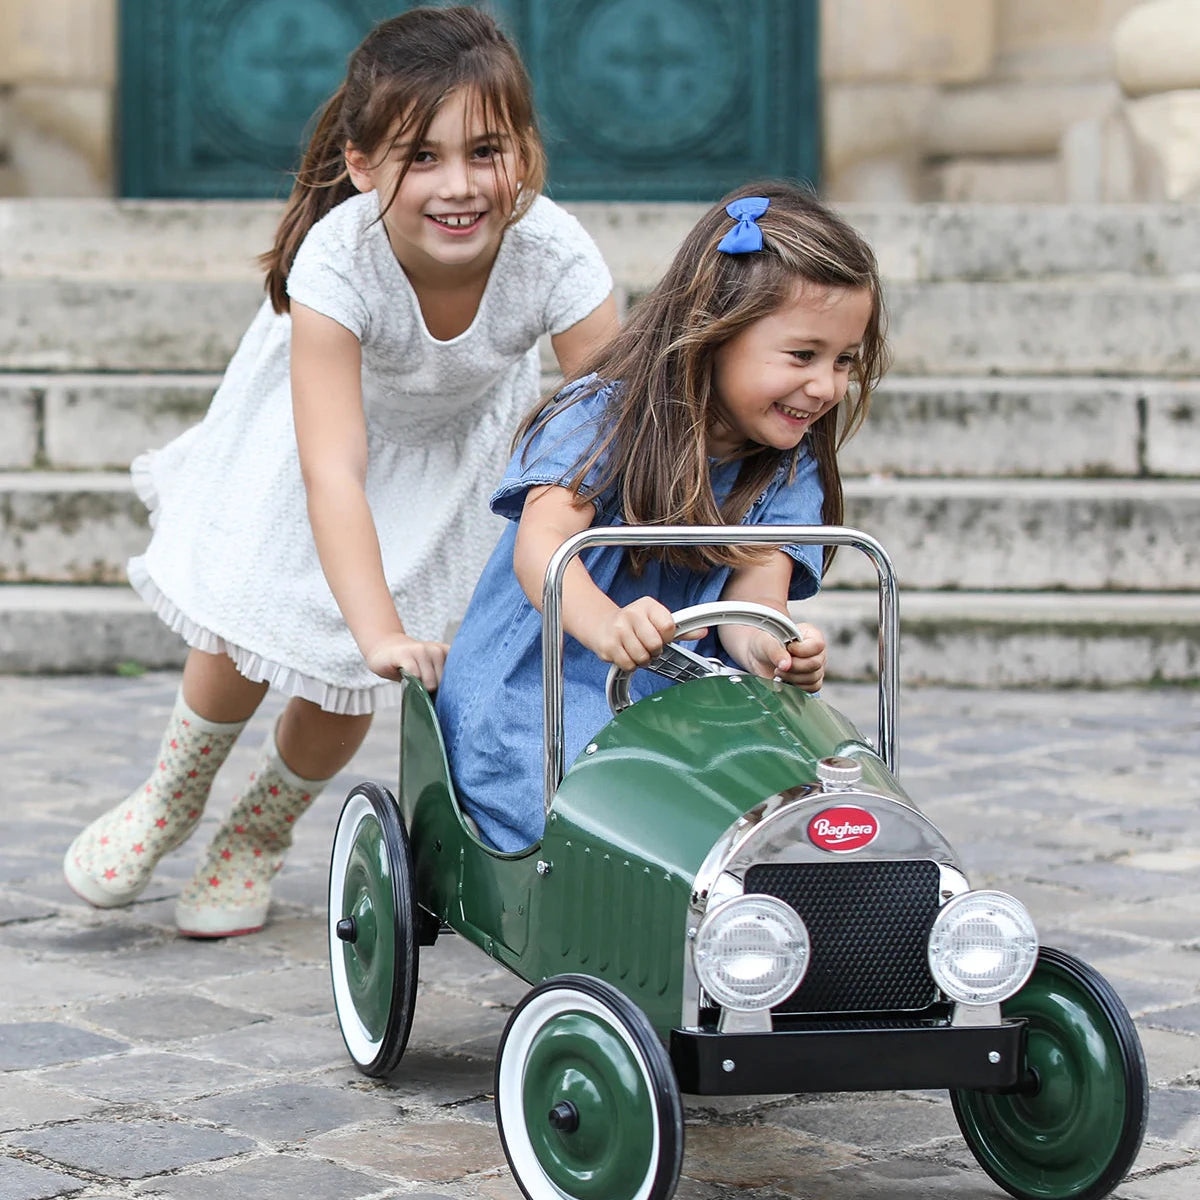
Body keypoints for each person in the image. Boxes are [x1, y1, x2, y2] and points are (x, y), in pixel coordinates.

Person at [62, 6, 617, 936]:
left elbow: (616, 417)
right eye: (422, 156)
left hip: (457, 450)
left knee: (347, 679)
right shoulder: (339, 258)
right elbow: (333, 469)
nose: (460, 186)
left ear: (524, 149)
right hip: (318, 441)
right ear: (362, 167)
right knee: (248, 622)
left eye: (487, 151)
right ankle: (171, 795)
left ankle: (258, 832)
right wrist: (374, 624)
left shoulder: (553, 253)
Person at [436, 180, 888, 852]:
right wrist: (607, 623)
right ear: (714, 334)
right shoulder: (603, 416)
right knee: (593, 819)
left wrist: (771, 646)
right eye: (802, 356)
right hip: (541, 691)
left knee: (788, 800)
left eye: (844, 361)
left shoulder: (788, 467)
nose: (825, 386)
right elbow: (542, 549)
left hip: (679, 705)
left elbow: (750, 605)